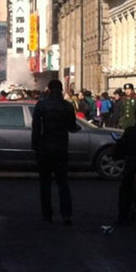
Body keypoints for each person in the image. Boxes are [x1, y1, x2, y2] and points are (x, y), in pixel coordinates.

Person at [31, 78, 81, 225]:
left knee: (45, 183)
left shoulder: (41, 105)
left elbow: (36, 128)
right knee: (63, 182)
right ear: (61, 90)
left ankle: (47, 215)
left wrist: (35, 146)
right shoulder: (67, 106)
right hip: (61, 147)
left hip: (44, 147)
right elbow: (71, 126)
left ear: (48, 89)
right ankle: (66, 215)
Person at [111, 107, 136, 224]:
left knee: (125, 190)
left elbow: (120, 149)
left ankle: (123, 215)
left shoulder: (131, 131)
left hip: (133, 165)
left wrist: (116, 153)